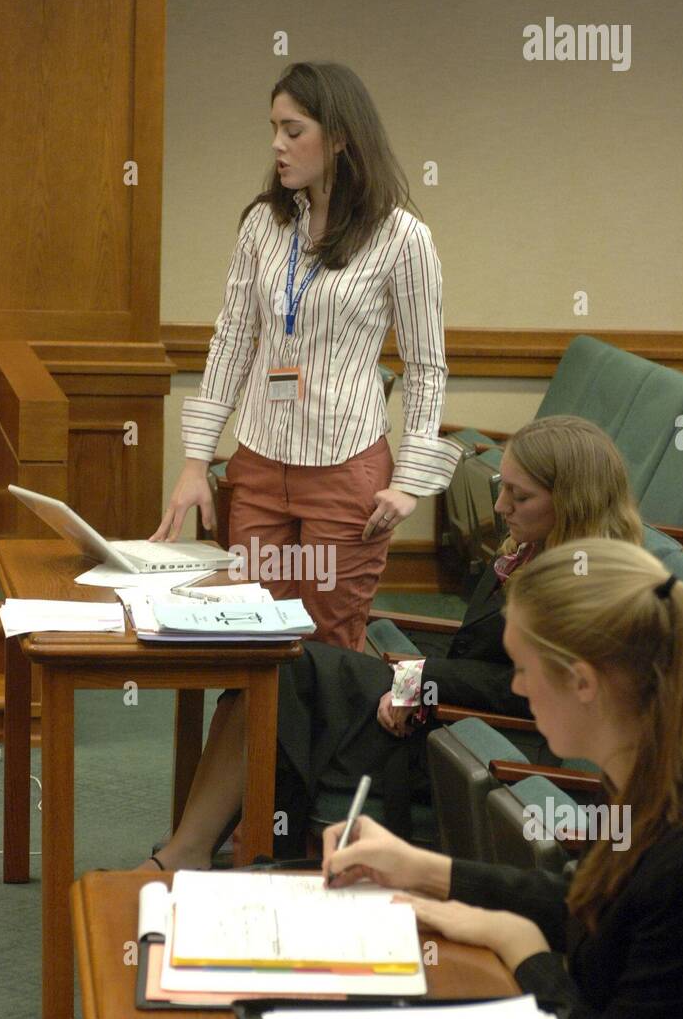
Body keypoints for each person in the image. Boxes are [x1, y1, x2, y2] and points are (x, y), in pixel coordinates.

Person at [324, 539, 683, 1019]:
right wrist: (421, 868)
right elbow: (586, 906)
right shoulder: (648, 784)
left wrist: (520, 946)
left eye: (524, 667)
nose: (515, 688)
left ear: (582, 682)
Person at [142, 416, 642, 870]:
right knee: (278, 663)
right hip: (443, 707)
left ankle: (200, 849)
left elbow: (532, 692)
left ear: (573, 500)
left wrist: (421, 678)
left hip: (477, 740)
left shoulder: (588, 580)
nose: (500, 506)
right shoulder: (531, 552)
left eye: (520, 496)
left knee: (286, 671)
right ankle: (205, 845)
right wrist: (418, 680)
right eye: (501, 488)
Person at [152, 61, 460, 651]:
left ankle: (314, 747)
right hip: (261, 465)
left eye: (294, 130)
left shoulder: (403, 237)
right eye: (273, 129)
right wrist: (195, 463)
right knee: (248, 630)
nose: (277, 145)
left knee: (326, 643)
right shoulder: (263, 226)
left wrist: (413, 482)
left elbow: (426, 366)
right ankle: (250, 747)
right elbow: (232, 340)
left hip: (346, 470)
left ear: (340, 137)